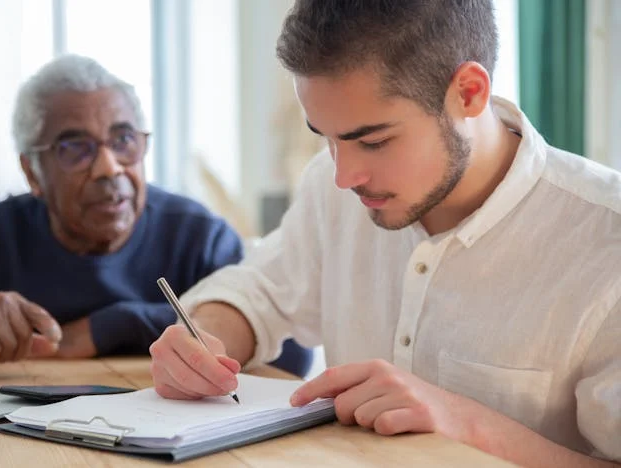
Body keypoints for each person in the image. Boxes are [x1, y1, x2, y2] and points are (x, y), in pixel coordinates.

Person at [147, 1, 621, 466]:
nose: (343, 175)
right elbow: (260, 292)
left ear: (470, 93)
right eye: (326, 137)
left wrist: (468, 424)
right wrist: (204, 339)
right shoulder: (331, 188)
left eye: (373, 141)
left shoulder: (606, 241)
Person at [0, 55, 311, 378]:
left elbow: (289, 351)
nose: (109, 168)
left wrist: (114, 325)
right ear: (32, 171)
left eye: (124, 139)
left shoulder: (196, 235)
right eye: (75, 148)